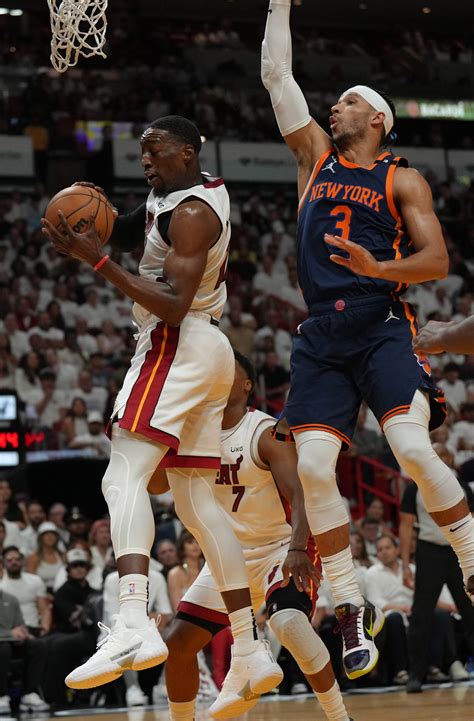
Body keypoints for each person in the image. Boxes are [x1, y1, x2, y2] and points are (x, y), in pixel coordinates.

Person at [261, 0, 474, 681]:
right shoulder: (314, 161)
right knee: (317, 471)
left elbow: (437, 260)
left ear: (377, 118)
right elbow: (274, 74)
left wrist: (380, 267)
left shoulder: (400, 176)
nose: (335, 109)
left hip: (381, 323)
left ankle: (472, 559)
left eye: (348, 102)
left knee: (411, 447)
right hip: (322, 333)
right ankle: (350, 605)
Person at [41, 115, 282, 708]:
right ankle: (250, 652)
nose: (144, 159)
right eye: (141, 151)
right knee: (199, 503)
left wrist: (95, 261)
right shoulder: (172, 196)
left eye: (155, 150)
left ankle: (130, 621)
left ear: (187, 151)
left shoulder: (193, 213)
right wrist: (89, 230)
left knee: (120, 474)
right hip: (212, 351)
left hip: (179, 342)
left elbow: (173, 306)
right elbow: (133, 230)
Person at [149, 351, 352, 721]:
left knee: (289, 624)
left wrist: (296, 547)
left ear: (246, 385)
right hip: (228, 557)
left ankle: (340, 716)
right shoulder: (195, 435)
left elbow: (302, 492)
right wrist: (166, 435)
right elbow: (156, 483)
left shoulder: (264, 432)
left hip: (280, 547)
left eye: (229, 369)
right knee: (177, 645)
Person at [399, 474, 474, 693]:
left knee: (470, 610)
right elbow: (406, 525)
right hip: (428, 550)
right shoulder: (414, 489)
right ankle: (416, 674)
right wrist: (405, 564)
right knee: (421, 614)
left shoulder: (461, 485)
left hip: (459, 550)